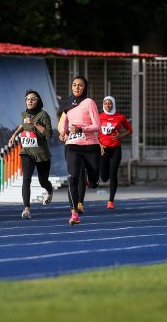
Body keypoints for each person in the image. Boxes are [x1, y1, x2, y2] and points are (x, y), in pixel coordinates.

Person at [59, 76, 101, 225]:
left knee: (94, 181)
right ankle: (74, 213)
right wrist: (62, 134)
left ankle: (92, 181)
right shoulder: (68, 105)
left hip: (90, 146)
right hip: (72, 146)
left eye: (80, 85)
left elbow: (97, 126)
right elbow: (63, 125)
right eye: (74, 85)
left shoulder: (89, 103)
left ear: (85, 87)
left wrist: (81, 128)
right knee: (72, 178)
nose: (77, 88)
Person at [8, 90, 54, 219]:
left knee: (43, 181)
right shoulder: (24, 114)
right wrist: (14, 134)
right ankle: (26, 208)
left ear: (38, 101)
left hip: (41, 153)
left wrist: (34, 123)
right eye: (28, 99)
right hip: (27, 151)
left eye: (33, 99)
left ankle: (50, 191)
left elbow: (48, 134)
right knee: (26, 179)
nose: (30, 101)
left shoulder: (43, 115)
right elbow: (23, 124)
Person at [99, 96, 132, 209]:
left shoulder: (120, 117)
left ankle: (111, 201)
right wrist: (99, 144)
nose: (108, 106)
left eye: (110, 104)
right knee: (103, 177)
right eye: (106, 103)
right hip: (103, 149)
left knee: (113, 174)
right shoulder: (99, 117)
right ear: (103, 104)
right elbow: (94, 132)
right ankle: (104, 173)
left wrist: (120, 135)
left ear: (113, 104)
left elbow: (130, 130)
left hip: (115, 149)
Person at [58, 111, 87, 214]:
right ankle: (74, 207)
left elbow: (93, 127)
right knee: (72, 176)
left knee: (81, 172)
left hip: (83, 145)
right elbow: (62, 128)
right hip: (69, 146)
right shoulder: (66, 111)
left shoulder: (86, 109)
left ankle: (80, 203)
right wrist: (62, 135)